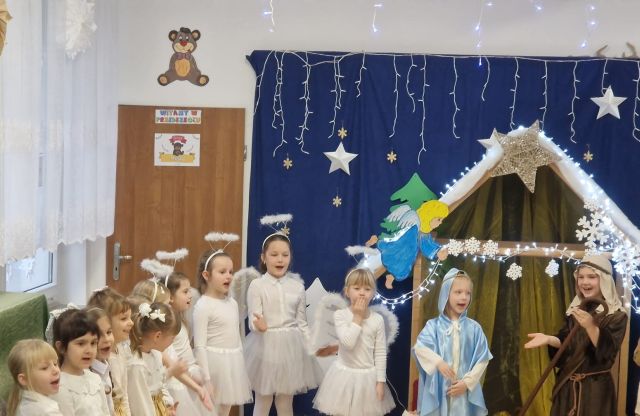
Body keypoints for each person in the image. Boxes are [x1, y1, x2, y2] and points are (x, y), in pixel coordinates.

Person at [524, 255, 628, 416]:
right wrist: (550, 339)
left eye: (591, 277)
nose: (585, 282)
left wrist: (590, 326)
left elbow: (607, 352)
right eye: (581, 277)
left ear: (604, 280)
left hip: (595, 390)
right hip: (568, 387)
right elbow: (566, 341)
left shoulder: (617, 315)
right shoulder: (577, 310)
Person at [245, 232, 323, 416]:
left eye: (285, 255)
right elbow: (253, 319)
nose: (280, 259)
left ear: (290, 257)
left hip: (291, 348)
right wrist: (258, 325)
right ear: (263, 258)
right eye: (274, 255)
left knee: (285, 401)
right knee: (263, 399)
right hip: (264, 347)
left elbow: (302, 323)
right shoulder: (257, 285)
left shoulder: (297, 287)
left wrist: (310, 345)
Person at [313, 268, 395, 416]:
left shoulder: (377, 320)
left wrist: (380, 382)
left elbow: (380, 353)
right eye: (357, 288)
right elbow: (348, 343)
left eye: (367, 289)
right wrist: (357, 317)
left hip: (367, 378)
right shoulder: (340, 315)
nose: (362, 293)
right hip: (344, 376)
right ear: (347, 291)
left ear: (373, 293)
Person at [413, 268, 492, 416]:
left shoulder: (474, 328)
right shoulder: (433, 326)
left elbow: (482, 359)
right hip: (439, 392)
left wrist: (467, 383)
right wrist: (438, 362)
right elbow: (420, 348)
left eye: (468, 293)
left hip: (462, 393)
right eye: (458, 292)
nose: (464, 297)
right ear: (446, 294)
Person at [193, 250, 252, 416]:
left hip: (232, 363)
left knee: (225, 409)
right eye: (222, 272)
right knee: (209, 410)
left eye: (230, 272)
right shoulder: (203, 306)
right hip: (213, 366)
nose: (229, 276)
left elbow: (236, 335)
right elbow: (199, 346)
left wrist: (239, 362)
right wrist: (206, 379)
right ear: (206, 275)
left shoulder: (232, 303)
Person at [165, 271, 215, 415]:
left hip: (190, 373)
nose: (190, 295)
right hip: (182, 377)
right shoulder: (169, 323)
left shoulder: (180, 318)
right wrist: (191, 375)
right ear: (170, 297)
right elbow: (171, 356)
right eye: (185, 291)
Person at [374, 200, 449, 289]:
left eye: (442, 220)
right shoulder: (418, 229)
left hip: (405, 251)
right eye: (439, 219)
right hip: (403, 250)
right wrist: (437, 251)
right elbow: (425, 244)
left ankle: (391, 276)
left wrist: (437, 250)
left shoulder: (421, 229)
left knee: (401, 267)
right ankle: (390, 276)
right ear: (429, 216)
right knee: (400, 266)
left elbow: (426, 242)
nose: (440, 222)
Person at [51, 309, 110, 416]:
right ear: (61, 347)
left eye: (93, 343)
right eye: (81, 344)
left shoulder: (95, 379)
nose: (89, 350)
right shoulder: (60, 388)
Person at [127, 300, 181, 416]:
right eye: (172, 338)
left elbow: (159, 385)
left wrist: (168, 405)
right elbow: (140, 407)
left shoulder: (156, 354)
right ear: (157, 336)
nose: (172, 342)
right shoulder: (137, 365)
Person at [87, 287, 134, 416]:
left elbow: (124, 394)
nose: (131, 323)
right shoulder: (105, 358)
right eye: (124, 318)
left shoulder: (120, 349)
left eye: (130, 317)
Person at [6, 339, 63, 416]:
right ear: (24, 379)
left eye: (55, 364)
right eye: (44, 368)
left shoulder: (23, 404)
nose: (56, 370)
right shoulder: (46, 411)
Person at [86, 307, 116, 415]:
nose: (107, 339)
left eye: (109, 332)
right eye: (99, 335)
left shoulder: (105, 367)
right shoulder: (88, 376)